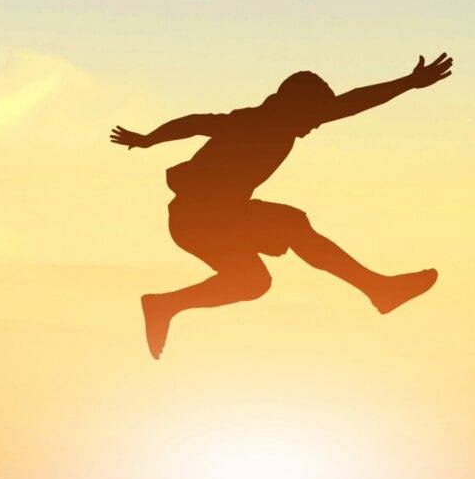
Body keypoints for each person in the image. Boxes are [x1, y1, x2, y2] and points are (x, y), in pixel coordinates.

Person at [110, 53, 453, 358]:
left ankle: (164, 305)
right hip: (199, 218)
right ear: (294, 106)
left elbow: (352, 103)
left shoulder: (286, 123)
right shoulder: (254, 122)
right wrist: (148, 139)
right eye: (314, 116)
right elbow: (197, 122)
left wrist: (408, 83)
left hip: (204, 223)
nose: (316, 125)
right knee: (292, 224)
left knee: (252, 282)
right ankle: (379, 289)